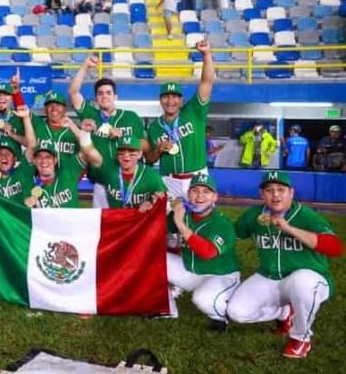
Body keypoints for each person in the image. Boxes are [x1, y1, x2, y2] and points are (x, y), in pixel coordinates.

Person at [227, 171, 343, 358]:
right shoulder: (254, 215)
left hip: (312, 279)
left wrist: (290, 229)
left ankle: (300, 338)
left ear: (291, 192)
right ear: (261, 194)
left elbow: (335, 248)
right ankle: (283, 312)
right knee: (237, 312)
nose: (275, 195)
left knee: (301, 281)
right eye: (269, 190)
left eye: (281, 190)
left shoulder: (307, 216)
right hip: (270, 277)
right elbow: (231, 236)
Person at [69, 55, 148, 208]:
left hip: (129, 182)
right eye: (100, 93)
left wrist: (124, 136)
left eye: (108, 93)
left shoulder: (130, 117)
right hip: (101, 183)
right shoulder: (90, 114)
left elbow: (145, 145)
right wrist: (85, 66)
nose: (104, 96)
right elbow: (73, 92)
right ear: (96, 98)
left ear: (115, 96)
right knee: (102, 227)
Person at [166, 174, 240, 332]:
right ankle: (166, 308)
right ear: (188, 195)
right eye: (195, 190)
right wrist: (154, 205)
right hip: (190, 270)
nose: (199, 195)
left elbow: (207, 252)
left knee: (202, 299)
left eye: (206, 191)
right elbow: (158, 227)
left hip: (220, 275)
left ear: (215, 197)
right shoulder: (183, 214)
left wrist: (180, 224)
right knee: (151, 260)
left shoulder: (222, 223)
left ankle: (221, 315)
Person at [145, 40, 214, 201]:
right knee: (167, 220)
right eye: (166, 97)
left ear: (181, 100)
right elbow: (149, 159)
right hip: (169, 180)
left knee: (197, 217)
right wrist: (158, 150)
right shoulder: (154, 127)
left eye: (175, 97)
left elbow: (207, 82)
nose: (170, 101)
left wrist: (206, 55)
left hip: (197, 177)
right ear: (160, 100)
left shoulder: (193, 111)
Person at [98, 135, 166, 210]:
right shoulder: (108, 171)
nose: (126, 156)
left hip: (141, 220)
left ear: (140, 154)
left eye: (131, 151)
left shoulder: (152, 176)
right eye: (122, 151)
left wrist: (152, 203)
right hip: (115, 219)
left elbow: (164, 201)